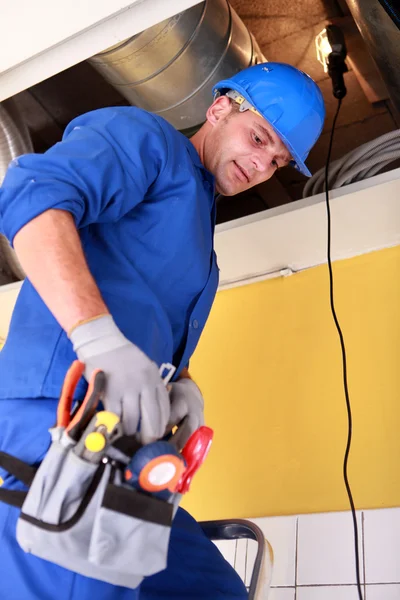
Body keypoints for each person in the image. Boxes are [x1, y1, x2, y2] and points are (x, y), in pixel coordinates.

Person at [0, 62, 325, 599]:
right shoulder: (146, 140)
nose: (263, 164)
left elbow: (149, 321)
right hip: (56, 427)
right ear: (220, 108)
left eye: (278, 161)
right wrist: (97, 339)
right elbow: (32, 198)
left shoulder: (202, 241)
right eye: (260, 137)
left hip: (135, 450)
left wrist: (185, 385)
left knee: (212, 590)